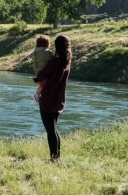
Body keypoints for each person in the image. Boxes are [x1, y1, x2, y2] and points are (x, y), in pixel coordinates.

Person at [33, 34, 71, 162]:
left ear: (56, 47)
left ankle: (54, 159)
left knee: (50, 130)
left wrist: (36, 77)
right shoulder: (67, 64)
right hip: (59, 100)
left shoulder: (53, 62)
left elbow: (41, 76)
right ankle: (57, 157)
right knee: (53, 129)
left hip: (48, 100)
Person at [31, 35, 53, 102]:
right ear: (47, 44)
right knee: (43, 85)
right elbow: (53, 60)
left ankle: (37, 95)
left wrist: (36, 73)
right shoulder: (48, 53)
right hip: (44, 72)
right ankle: (36, 95)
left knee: (41, 84)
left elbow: (35, 64)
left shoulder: (36, 53)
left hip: (38, 72)